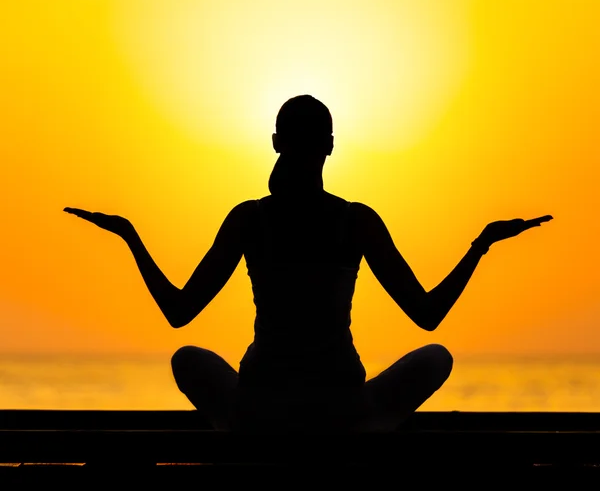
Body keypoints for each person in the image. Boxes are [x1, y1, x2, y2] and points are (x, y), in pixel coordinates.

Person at [64, 94, 552, 433]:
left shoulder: (249, 219)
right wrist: (479, 246)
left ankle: (243, 433)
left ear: (277, 143)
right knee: (437, 356)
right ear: (330, 145)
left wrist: (131, 238)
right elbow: (428, 315)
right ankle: (368, 428)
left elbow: (178, 313)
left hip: (262, 406)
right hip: (340, 406)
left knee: (187, 359)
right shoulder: (356, 221)